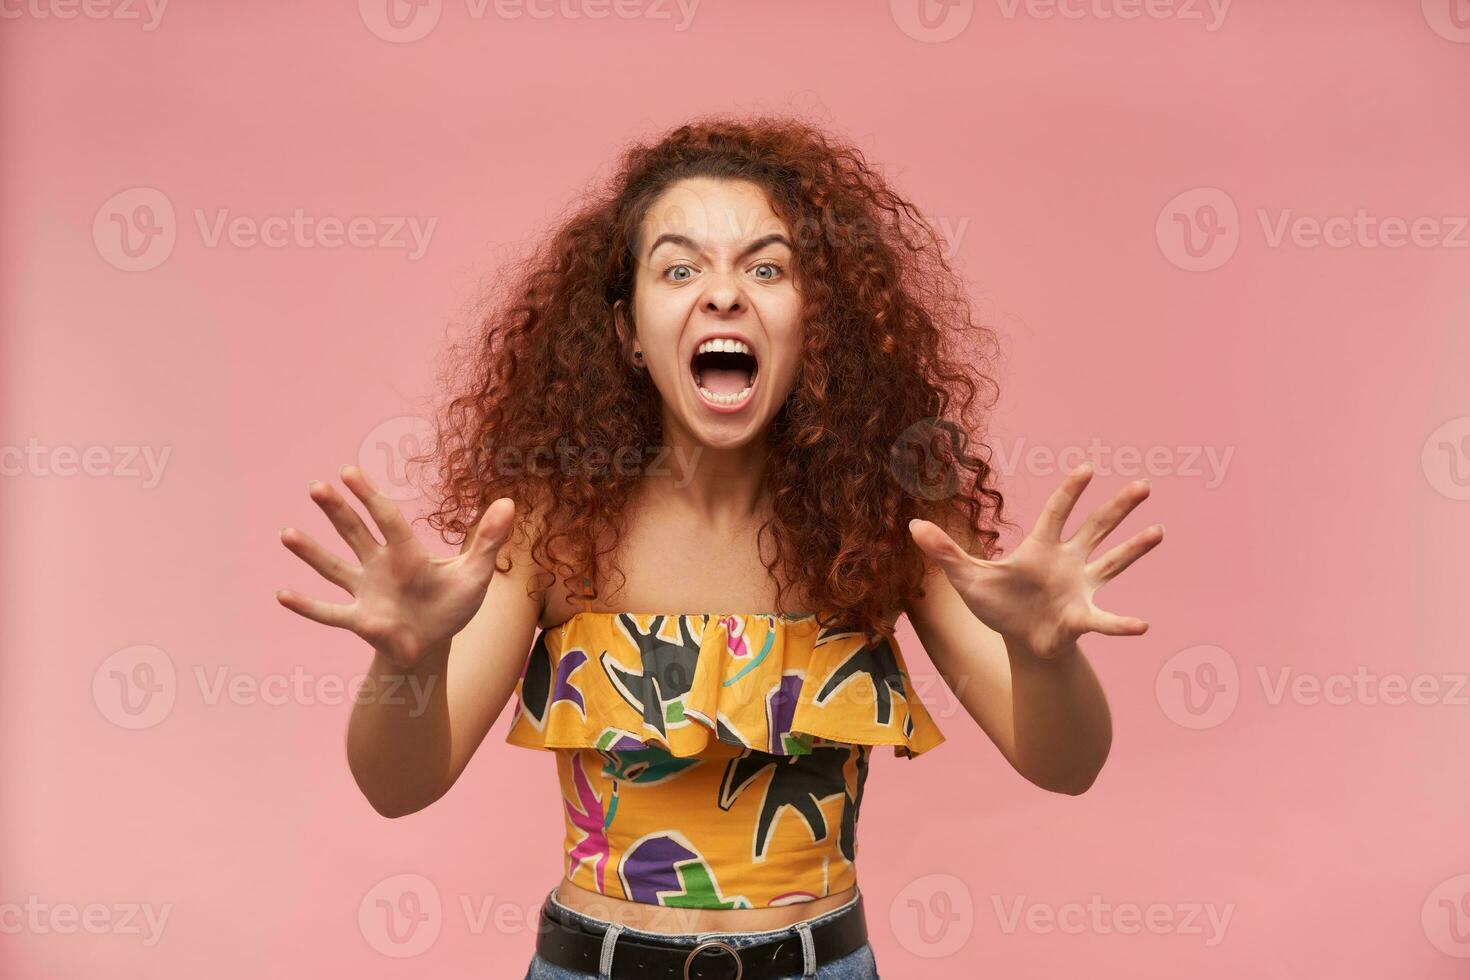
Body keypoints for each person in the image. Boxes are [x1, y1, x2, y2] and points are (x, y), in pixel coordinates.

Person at [276, 115, 1162, 980]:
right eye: (679, 268)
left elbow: (1065, 767)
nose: (724, 292)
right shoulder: (554, 526)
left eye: (767, 267)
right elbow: (399, 787)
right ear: (627, 331)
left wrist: (1043, 657)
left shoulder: (890, 519)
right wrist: (413, 662)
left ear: (817, 321)